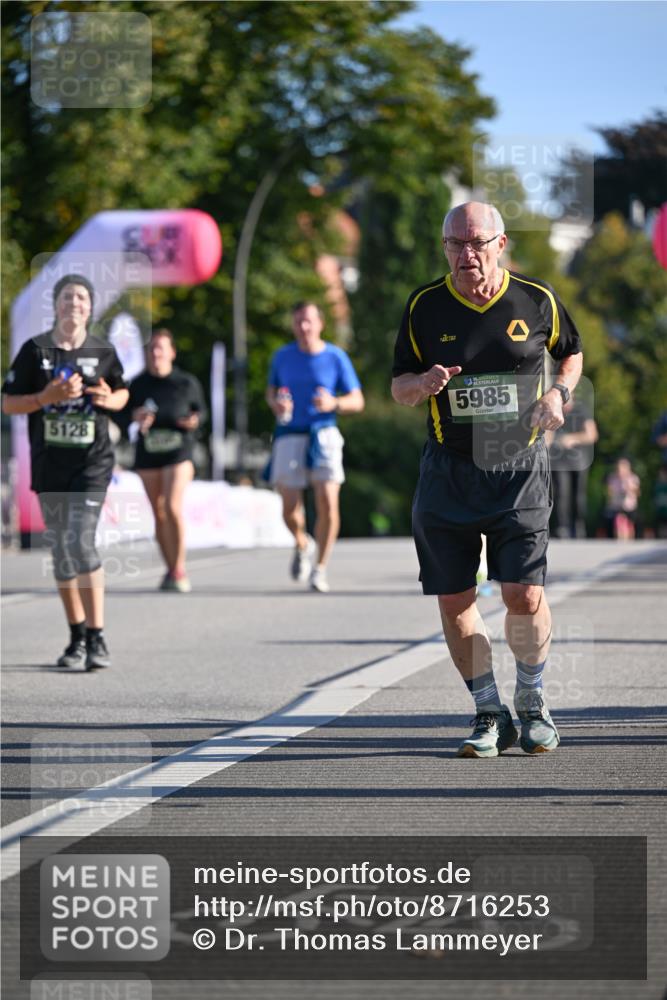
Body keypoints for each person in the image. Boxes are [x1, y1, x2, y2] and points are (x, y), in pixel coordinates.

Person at [392, 201, 583, 757]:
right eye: (455, 244)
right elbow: (398, 386)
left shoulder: (536, 299)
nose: (466, 254)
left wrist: (558, 393)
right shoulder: (424, 306)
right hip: (448, 469)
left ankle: (532, 700)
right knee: (455, 598)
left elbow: (570, 355)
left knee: (523, 594)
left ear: (501, 244)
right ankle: (488, 710)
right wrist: (422, 384)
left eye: (477, 243)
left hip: (518, 466)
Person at [2, 274, 128, 670]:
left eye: (82, 298)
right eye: (67, 297)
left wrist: (111, 399)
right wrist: (46, 397)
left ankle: (97, 636)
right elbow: (8, 403)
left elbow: (123, 392)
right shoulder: (35, 350)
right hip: (50, 465)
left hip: (92, 464)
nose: (74, 303)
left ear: (90, 308)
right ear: (56, 305)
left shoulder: (102, 351)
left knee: (81, 542)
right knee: (60, 553)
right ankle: (76, 637)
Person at [266, 302, 364, 593]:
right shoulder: (282, 356)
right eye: (298, 321)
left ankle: (319, 568)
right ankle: (302, 542)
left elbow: (357, 400)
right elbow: (271, 392)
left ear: (320, 323)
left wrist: (334, 402)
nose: (304, 327)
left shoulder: (335, 356)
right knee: (288, 508)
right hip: (289, 433)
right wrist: (277, 405)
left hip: (324, 434)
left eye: (308, 321)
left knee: (328, 502)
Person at [126, 328, 206, 593]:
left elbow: (201, 412)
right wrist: (135, 417)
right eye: (151, 349)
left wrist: (194, 420)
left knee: (172, 506)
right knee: (159, 513)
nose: (156, 353)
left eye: (160, 348)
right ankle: (170, 568)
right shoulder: (137, 385)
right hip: (148, 453)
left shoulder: (186, 383)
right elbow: (121, 415)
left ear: (172, 352)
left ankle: (180, 568)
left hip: (178, 452)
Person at [549, 391, 598, 538]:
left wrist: (571, 438)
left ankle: (577, 525)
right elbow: (547, 434)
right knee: (561, 494)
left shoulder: (581, 411)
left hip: (578, 460)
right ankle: (562, 527)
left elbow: (592, 435)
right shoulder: (553, 411)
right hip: (558, 460)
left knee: (578, 495)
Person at [605, 457, 641, 539]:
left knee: (629, 526)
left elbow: (638, 493)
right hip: (617, 506)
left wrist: (630, 488)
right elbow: (609, 492)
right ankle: (620, 539)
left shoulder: (633, 478)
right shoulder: (613, 478)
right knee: (619, 522)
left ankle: (629, 540)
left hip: (630, 507)